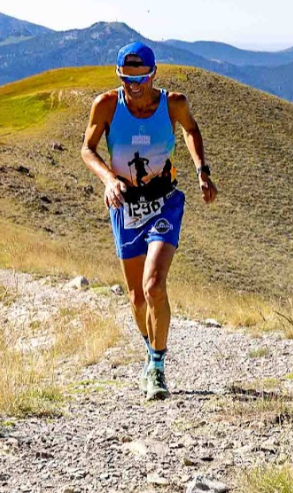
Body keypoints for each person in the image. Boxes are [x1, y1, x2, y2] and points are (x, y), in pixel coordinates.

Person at [81, 42, 218, 401]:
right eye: (127, 77)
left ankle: (157, 366)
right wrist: (109, 180)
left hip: (164, 202)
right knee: (137, 299)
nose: (134, 84)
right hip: (125, 206)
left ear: (153, 74)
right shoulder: (107, 105)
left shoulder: (174, 103)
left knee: (154, 285)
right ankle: (148, 349)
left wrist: (202, 171)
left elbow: (191, 130)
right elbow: (87, 148)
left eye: (140, 77)